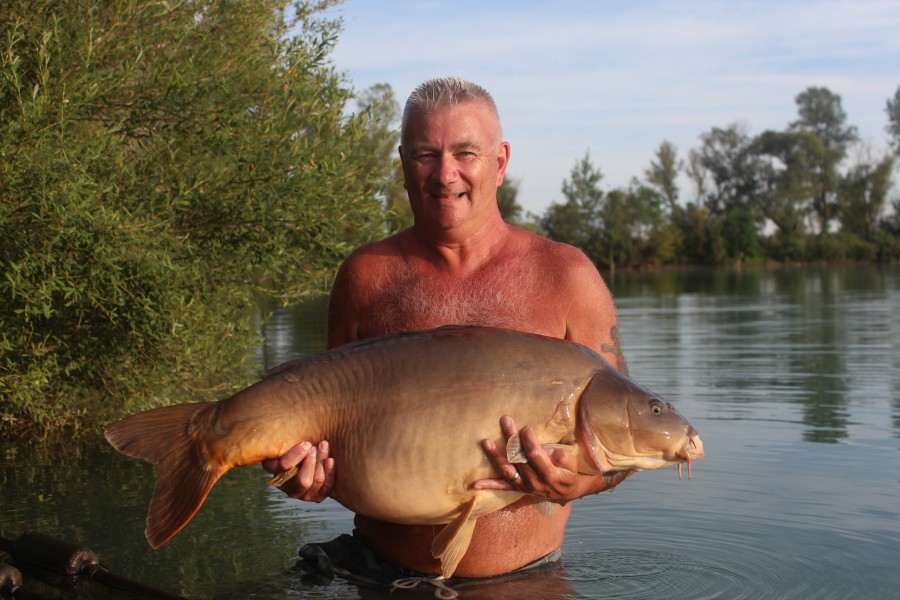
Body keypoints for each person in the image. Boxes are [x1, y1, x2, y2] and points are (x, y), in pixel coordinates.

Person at [262, 77, 632, 584]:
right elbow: (328, 427)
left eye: (465, 152)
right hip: (377, 573)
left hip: (525, 582)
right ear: (403, 163)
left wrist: (579, 483)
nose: (445, 173)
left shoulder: (567, 277)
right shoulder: (366, 276)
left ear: (500, 162)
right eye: (425, 154)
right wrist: (308, 475)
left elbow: (627, 444)